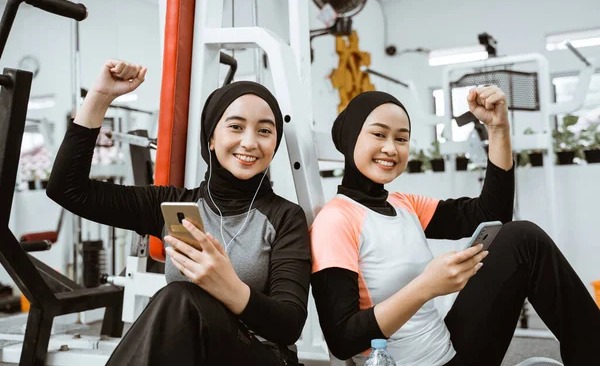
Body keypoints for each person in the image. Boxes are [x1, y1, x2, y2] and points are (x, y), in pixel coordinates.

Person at [309, 87, 600, 366]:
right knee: (522, 236)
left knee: (522, 238)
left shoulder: (404, 204)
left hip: (450, 350)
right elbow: (342, 339)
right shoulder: (335, 220)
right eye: (378, 134)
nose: (390, 148)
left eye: (401, 139)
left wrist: (498, 129)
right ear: (350, 138)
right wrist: (425, 287)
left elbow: (492, 214)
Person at [47, 59, 310, 366]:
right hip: (193, 355)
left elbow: (289, 324)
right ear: (211, 138)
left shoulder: (285, 217)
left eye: (264, 130)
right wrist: (100, 97)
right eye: (236, 127)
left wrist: (228, 286)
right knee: (178, 301)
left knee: (179, 296)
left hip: (262, 356)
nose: (250, 142)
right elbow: (67, 189)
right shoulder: (173, 205)